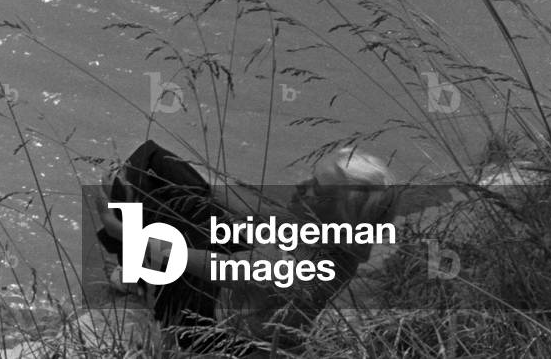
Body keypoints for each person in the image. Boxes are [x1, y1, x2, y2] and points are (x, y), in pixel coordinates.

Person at [95, 140, 397, 356]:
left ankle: (133, 275)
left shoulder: (280, 266)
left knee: (146, 176)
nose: (302, 183)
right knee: (163, 165)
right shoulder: (346, 245)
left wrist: (118, 229)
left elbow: (179, 258)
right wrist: (200, 185)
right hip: (260, 324)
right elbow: (256, 210)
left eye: (315, 187)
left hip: (212, 337)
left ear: (339, 212)